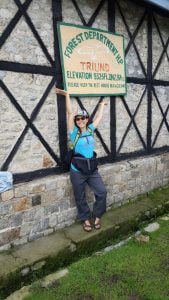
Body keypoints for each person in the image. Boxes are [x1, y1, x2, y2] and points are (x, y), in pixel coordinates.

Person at [56, 88, 107, 232]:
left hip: (92, 169)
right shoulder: (73, 133)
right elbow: (70, 112)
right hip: (77, 170)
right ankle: (85, 219)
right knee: (80, 196)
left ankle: (97, 216)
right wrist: (67, 95)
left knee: (102, 192)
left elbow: (99, 118)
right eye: (78, 119)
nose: (80, 120)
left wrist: (102, 106)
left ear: (86, 119)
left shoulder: (90, 129)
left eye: (83, 118)